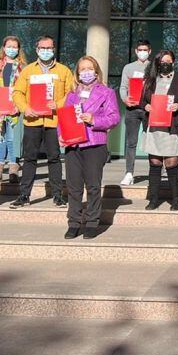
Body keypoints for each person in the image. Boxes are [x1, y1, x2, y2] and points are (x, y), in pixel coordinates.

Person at [10, 35, 74, 207]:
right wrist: (25, 108)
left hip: (54, 121)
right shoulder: (28, 71)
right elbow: (17, 93)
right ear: (37, 50)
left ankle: (57, 195)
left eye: (49, 48)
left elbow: (71, 94)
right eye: (42, 48)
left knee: (54, 158)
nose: (46, 51)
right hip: (33, 120)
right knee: (30, 158)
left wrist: (58, 104)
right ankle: (24, 195)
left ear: (54, 50)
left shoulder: (64, 71)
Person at [61, 55, 120, 240]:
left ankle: (92, 222)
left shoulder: (107, 92)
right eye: (82, 69)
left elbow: (114, 118)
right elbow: (63, 119)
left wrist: (94, 120)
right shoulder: (71, 94)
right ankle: (74, 222)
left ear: (96, 71)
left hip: (94, 143)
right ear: (77, 73)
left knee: (93, 186)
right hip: (73, 144)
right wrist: (61, 136)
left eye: (90, 68)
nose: (86, 72)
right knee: (73, 186)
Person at [138, 49, 178, 211]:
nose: (165, 64)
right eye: (162, 62)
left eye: (168, 61)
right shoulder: (150, 80)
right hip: (154, 127)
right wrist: (146, 106)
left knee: (171, 163)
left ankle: (176, 199)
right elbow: (140, 101)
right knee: (155, 162)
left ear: (173, 62)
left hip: (172, 128)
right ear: (157, 63)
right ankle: (153, 199)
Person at [0, 36, 26, 184]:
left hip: (15, 109)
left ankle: (13, 170)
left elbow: (26, 89)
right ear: (3, 47)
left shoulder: (23, 67)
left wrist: (18, 105)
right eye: (9, 46)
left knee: (12, 138)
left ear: (18, 49)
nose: (12, 49)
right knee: (0, 138)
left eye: (15, 47)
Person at [119, 40, 152, 187]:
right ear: (136, 51)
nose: (142, 52)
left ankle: (155, 171)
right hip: (132, 109)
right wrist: (125, 99)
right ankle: (129, 173)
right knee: (131, 143)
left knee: (151, 141)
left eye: (145, 50)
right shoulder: (129, 67)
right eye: (140, 49)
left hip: (148, 110)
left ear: (149, 51)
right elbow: (123, 87)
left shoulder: (153, 67)